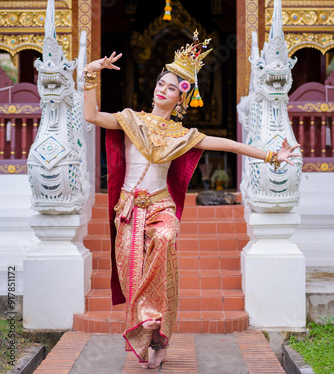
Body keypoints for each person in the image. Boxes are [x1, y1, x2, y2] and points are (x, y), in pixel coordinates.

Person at [83, 33, 300, 369]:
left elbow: (231, 145)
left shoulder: (183, 136)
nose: (162, 89)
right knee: (130, 277)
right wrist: (90, 72)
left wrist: (272, 155)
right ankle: (156, 337)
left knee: (167, 237)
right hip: (128, 209)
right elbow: (92, 116)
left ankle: (154, 318)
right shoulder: (130, 120)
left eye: (171, 87)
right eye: (161, 83)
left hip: (160, 207)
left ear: (181, 98)